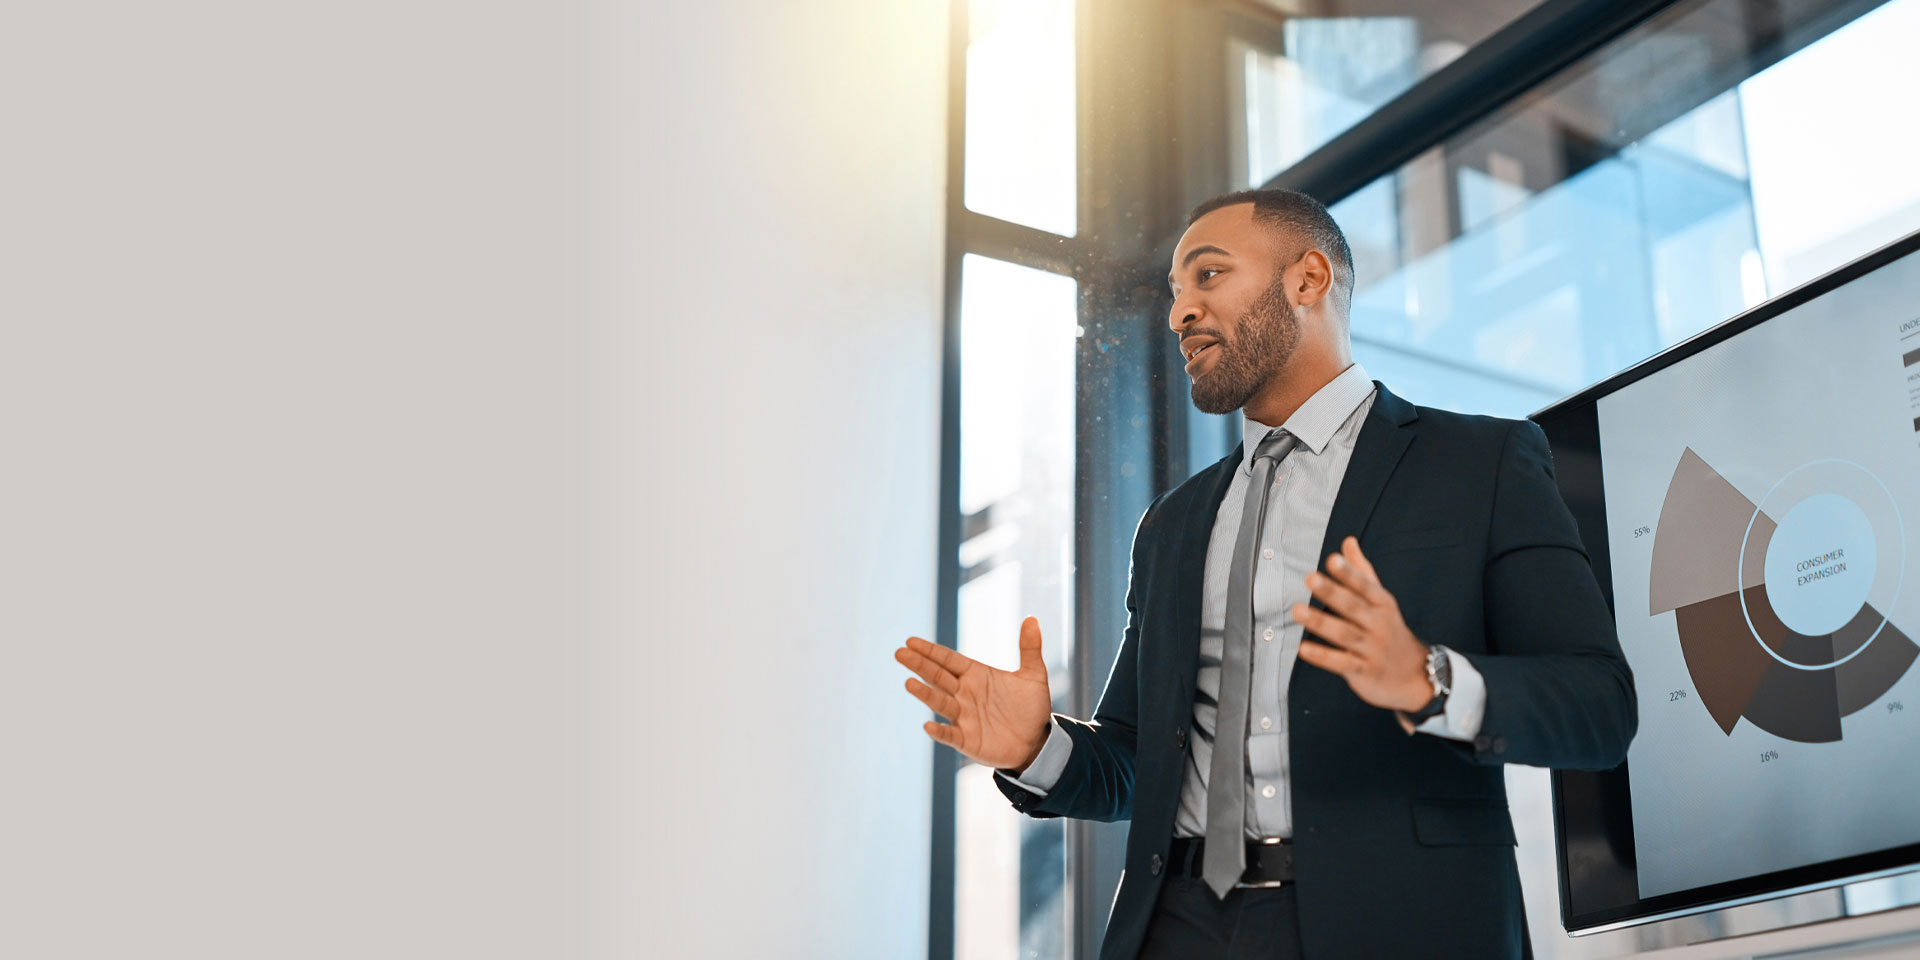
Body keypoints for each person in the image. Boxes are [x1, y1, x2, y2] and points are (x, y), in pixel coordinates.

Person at [894, 189, 1637, 960]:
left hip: (1399, 922)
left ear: (1308, 279)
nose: (1180, 312)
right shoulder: (1172, 525)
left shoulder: (1483, 465)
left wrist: (1428, 678)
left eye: (1207, 276)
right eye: (1174, 293)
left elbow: (1598, 710)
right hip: (1176, 926)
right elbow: (1134, 762)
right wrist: (1037, 747)